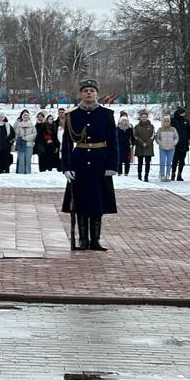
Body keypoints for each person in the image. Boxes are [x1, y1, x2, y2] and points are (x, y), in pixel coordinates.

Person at [60, 79, 119, 251]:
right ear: (81, 93)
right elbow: (67, 145)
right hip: (79, 163)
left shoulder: (106, 115)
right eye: (85, 90)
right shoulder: (72, 115)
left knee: (97, 202)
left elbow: (113, 143)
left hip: (100, 162)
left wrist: (112, 165)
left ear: (96, 94)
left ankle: (95, 240)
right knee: (80, 202)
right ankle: (83, 240)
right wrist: (66, 167)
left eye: (92, 90)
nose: (88, 93)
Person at [132, 110, 155, 182]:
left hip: (148, 147)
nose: (144, 118)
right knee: (140, 162)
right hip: (140, 147)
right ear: (140, 118)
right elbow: (135, 136)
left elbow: (153, 135)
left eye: (145, 117)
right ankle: (139, 176)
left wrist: (147, 143)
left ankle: (146, 176)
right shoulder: (137, 127)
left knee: (148, 163)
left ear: (147, 117)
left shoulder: (151, 126)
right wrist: (142, 143)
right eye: (142, 117)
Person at [155, 116, 178, 182]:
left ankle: (168, 174)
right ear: (163, 122)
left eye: (168, 121)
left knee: (169, 162)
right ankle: (162, 174)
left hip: (171, 148)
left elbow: (176, 137)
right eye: (165, 121)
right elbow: (157, 138)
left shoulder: (173, 129)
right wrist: (160, 143)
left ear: (170, 122)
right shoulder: (160, 129)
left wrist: (173, 143)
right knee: (162, 162)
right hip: (162, 148)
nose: (166, 122)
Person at [13, 110, 36, 174]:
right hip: (21, 144)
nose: (25, 117)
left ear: (28, 117)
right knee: (21, 160)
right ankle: (21, 173)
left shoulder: (31, 124)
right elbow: (16, 134)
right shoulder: (19, 124)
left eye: (27, 116)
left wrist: (26, 138)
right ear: (22, 117)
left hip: (29, 144)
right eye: (24, 116)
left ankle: (28, 173)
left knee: (28, 160)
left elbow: (34, 134)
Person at [116, 112, 134, 177]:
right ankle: (119, 172)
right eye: (123, 120)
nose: (124, 121)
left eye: (125, 120)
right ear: (120, 121)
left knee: (127, 160)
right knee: (119, 160)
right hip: (119, 146)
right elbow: (114, 137)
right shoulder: (117, 128)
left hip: (127, 146)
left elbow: (132, 137)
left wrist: (132, 144)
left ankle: (126, 172)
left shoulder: (130, 128)